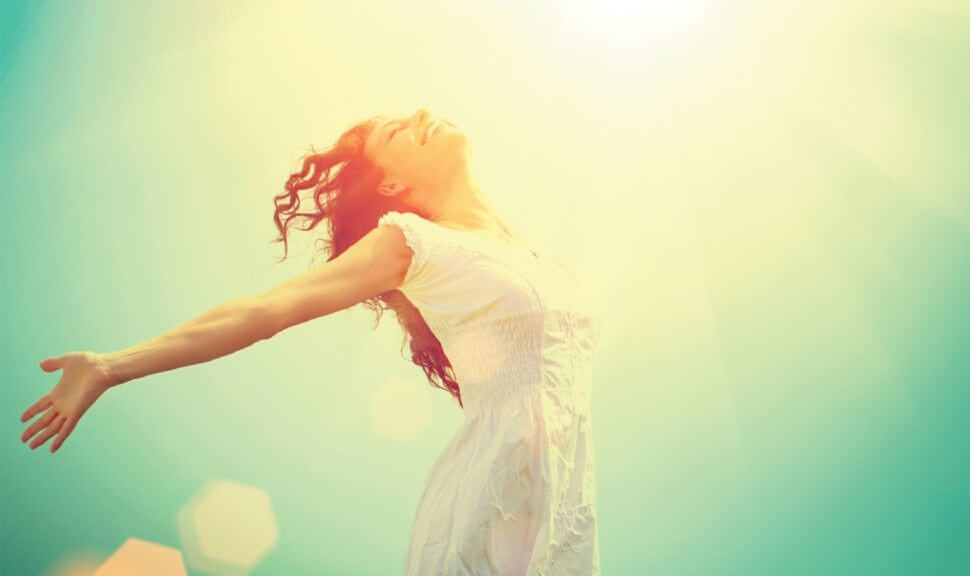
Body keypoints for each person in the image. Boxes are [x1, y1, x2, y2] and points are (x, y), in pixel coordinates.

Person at [20, 108, 603, 575]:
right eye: (398, 130)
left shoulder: (538, 259)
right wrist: (112, 365)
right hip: (488, 503)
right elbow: (266, 309)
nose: (422, 114)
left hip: (564, 512)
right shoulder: (411, 242)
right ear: (392, 182)